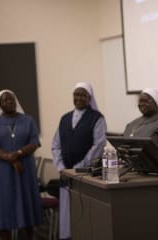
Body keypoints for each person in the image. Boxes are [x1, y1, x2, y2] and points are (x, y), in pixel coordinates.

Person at [51, 82, 107, 240]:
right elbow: (55, 145)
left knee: (85, 215)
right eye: (76, 94)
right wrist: (62, 168)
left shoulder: (97, 118)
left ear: (89, 98)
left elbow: (98, 145)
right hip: (65, 174)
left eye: (83, 95)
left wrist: (76, 169)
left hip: (86, 175)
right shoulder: (65, 118)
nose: (79, 98)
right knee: (67, 216)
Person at [0, 90, 43, 240]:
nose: (9, 102)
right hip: (2, 170)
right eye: (5, 100)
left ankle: (29, 236)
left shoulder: (28, 120)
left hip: (24, 168)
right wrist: (8, 158)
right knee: (4, 204)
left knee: (26, 201)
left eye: (11, 99)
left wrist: (16, 154)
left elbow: (34, 142)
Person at [123, 88, 158, 156]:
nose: (142, 104)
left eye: (146, 101)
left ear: (157, 103)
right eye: (140, 101)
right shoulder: (132, 123)